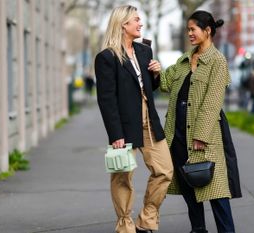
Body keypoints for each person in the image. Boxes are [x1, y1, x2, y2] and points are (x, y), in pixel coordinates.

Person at [158, 10, 241, 233]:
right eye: (188, 30)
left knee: (215, 191)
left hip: (203, 138)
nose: (189, 34)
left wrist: (201, 135)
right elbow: (165, 84)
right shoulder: (184, 59)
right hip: (177, 136)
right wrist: (157, 70)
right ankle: (198, 229)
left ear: (207, 31)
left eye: (193, 29)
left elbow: (213, 101)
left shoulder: (217, 61)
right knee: (189, 189)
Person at [94, 5, 173, 233]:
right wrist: (115, 134)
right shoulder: (107, 57)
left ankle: (147, 219)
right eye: (136, 20)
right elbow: (106, 100)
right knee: (123, 176)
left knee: (164, 170)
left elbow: (149, 88)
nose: (140, 24)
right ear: (123, 24)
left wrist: (156, 74)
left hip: (150, 122)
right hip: (124, 126)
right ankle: (125, 225)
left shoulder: (144, 51)